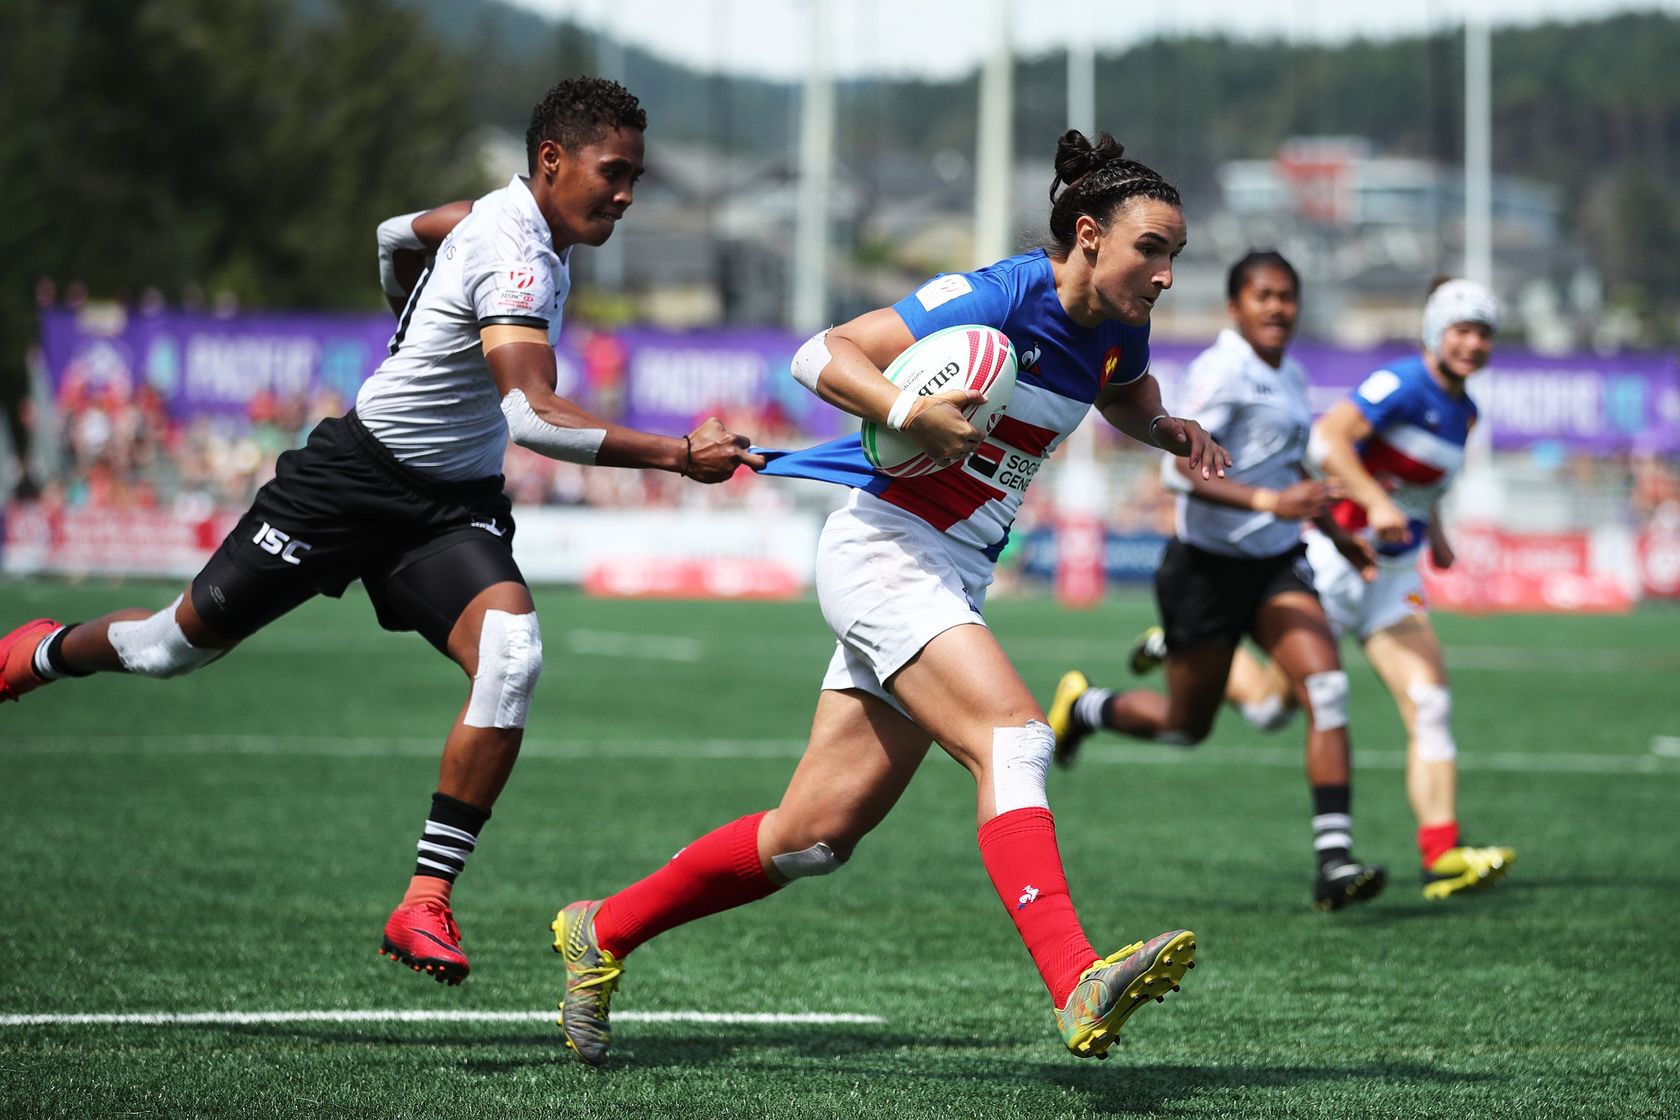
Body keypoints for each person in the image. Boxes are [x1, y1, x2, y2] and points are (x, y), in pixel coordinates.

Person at [0, 78, 763, 983]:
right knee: (173, 649)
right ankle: (33, 655)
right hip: (348, 484)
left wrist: (402, 293)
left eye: (635, 175)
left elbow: (396, 232)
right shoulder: (515, 253)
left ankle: (425, 901)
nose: (628, 194)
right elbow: (533, 416)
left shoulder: (502, 220)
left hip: (446, 511)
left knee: (511, 654)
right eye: (615, 172)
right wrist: (678, 455)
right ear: (552, 162)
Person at [547, 130, 1230, 1067]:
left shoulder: (1121, 326)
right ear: (1086, 235)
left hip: (950, 571)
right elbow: (817, 354)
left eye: (1174, 256)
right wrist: (908, 411)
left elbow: (1119, 388)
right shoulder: (995, 295)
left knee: (812, 838)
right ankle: (1075, 979)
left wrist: (1166, 426)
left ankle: (603, 930)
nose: (1164, 274)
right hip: (884, 550)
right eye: (1151, 250)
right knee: (1016, 739)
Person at [1044, 251, 1387, 912]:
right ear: (1236, 306)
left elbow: (1285, 468)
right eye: (1265, 295)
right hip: (1203, 570)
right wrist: (1267, 504)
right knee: (1183, 725)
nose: (1279, 308)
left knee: (1326, 686)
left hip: (1276, 566)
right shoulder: (1221, 371)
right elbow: (1178, 473)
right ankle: (1085, 707)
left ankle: (1334, 862)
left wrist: (1336, 531)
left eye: (1288, 296)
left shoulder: (1288, 375)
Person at [1219, 278, 1516, 901]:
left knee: (1430, 705)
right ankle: (1189, 648)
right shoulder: (1401, 383)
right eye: (1461, 330)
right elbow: (1330, 442)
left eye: (1483, 333)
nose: (1473, 343)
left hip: (1395, 578)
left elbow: (1416, 482)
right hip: (1334, 561)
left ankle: (1441, 856)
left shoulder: (1466, 411)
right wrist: (1377, 503)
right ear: (1436, 333)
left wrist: (1431, 529)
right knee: (1274, 709)